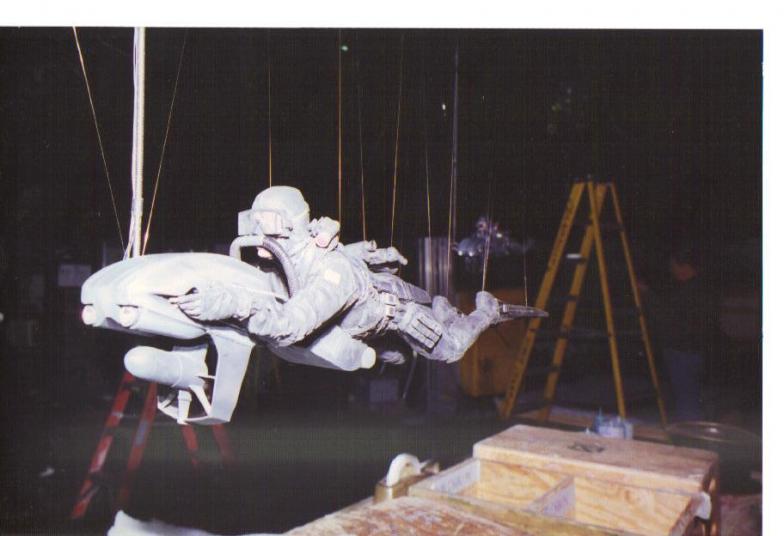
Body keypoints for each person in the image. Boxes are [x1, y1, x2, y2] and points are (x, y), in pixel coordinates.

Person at [171, 186, 545, 367]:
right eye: (252, 224)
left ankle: (486, 309)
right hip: (365, 328)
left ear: (288, 227)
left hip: (398, 311)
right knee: (395, 358)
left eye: (265, 225)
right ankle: (443, 311)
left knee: (450, 350)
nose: (257, 235)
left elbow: (290, 325)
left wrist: (230, 303)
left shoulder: (331, 273)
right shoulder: (288, 260)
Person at [652, 242, 710, 422]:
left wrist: (648, 296)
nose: (671, 269)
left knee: (686, 400)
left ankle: (689, 433)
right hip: (691, 350)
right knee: (688, 396)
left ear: (684, 266)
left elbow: (669, 317)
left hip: (683, 351)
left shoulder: (689, 291)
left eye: (673, 265)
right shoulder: (698, 287)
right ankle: (690, 428)